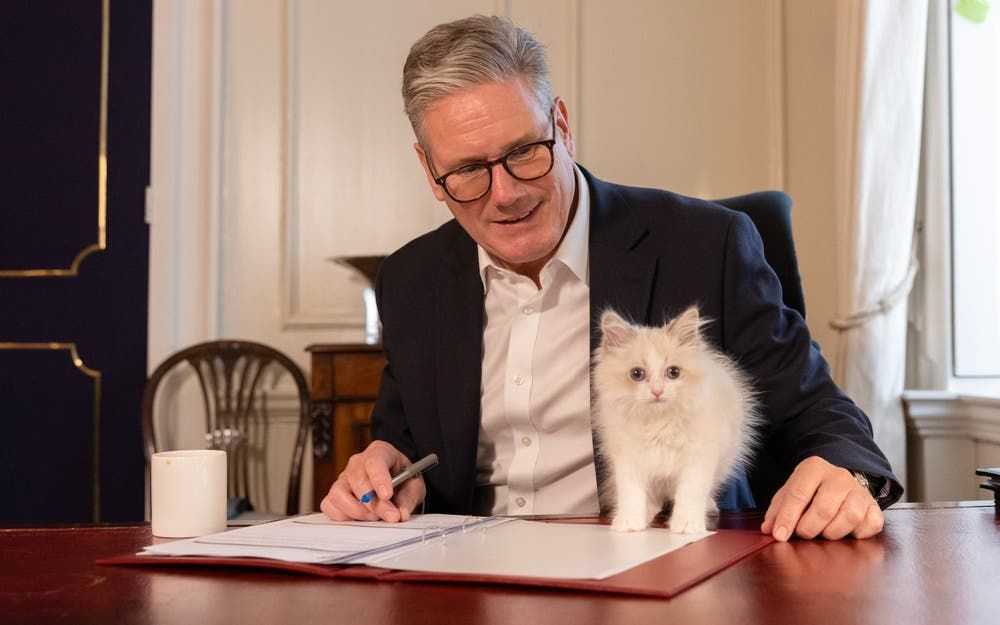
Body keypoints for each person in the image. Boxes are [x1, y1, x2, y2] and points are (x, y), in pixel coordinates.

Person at [321, 15, 902, 541]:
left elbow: (821, 415)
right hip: (465, 583)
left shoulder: (707, 245)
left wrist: (843, 471)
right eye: (469, 170)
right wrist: (387, 467)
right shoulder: (411, 280)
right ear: (429, 171)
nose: (506, 194)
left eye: (525, 151)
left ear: (562, 125)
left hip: (656, 571)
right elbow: (402, 443)